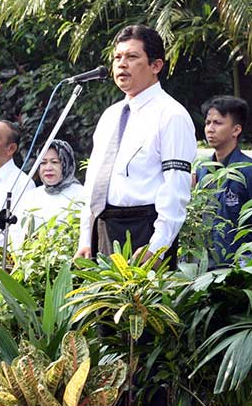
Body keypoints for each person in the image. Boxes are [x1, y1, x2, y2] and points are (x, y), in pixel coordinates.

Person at [76, 25, 196, 267]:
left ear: (156, 66)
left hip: (144, 230)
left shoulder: (171, 115)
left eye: (132, 57)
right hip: (103, 229)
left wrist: (158, 246)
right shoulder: (110, 115)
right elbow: (93, 183)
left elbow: (176, 187)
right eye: (117, 58)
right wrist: (85, 237)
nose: (121, 64)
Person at [196, 95, 252, 264]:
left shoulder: (249, 171)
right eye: (208, 123)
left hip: (238, 268)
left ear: (236, 130)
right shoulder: (203, 169)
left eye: (218, 123)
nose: (210, 129)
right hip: (205, 267)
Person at [23, 139, 86, 231]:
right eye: (43, 163)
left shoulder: (81, 195)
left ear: (66, 163)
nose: (48, 168)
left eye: (54, 162)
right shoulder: (30, 197)